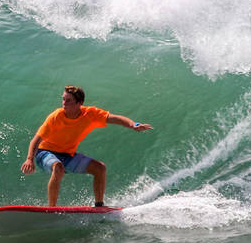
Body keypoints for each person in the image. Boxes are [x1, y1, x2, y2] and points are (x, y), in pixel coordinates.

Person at [20, 85, 152, 207]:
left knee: (100, 168)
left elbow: (114, 118)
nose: (64, 103)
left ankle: (99, 206)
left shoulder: (90, 114)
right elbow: (36, 140)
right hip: (44, 153)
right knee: (58, 167)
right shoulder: (56, 117)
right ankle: (51, 209)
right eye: (63, 99)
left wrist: (133, 125)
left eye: (68, 100)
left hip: (67, 155)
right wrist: (30, 159)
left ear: (79, 103)